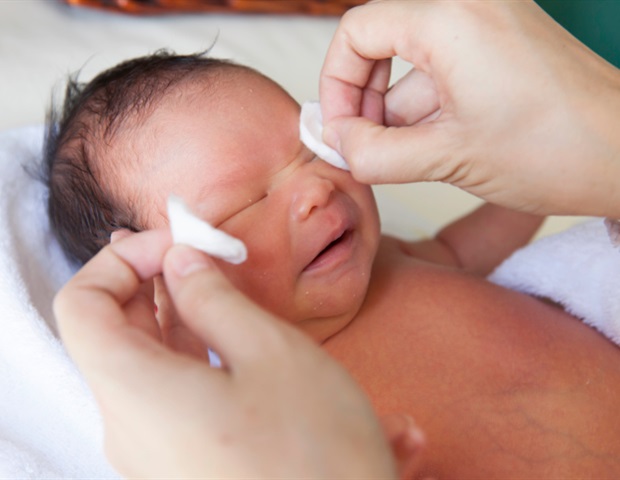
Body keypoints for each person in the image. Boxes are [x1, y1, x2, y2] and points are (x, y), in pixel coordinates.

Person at [53, 0, 620, 478]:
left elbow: (464, 251)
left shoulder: (395, 260)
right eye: (243, 204)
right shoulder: (256, 402)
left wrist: (531, 177)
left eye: (312, 148)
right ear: (157, 279)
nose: (314, 188)